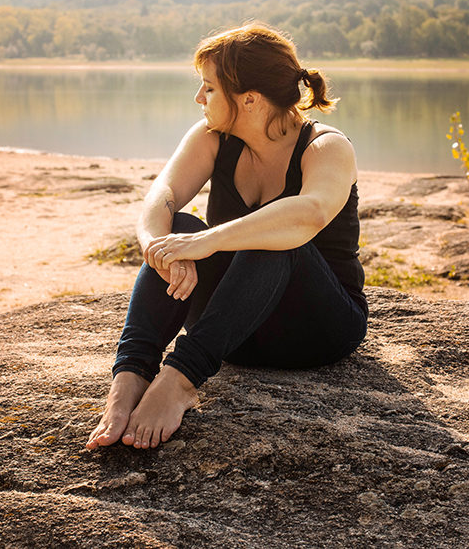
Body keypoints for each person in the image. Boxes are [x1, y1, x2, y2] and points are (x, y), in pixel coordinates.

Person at [86, 23, 367, 451]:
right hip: (231, 332)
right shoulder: (212, 137)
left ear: (249, 99)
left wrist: (209, 242)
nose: (199, 99)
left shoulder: (326, 147)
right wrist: (161, 251)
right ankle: (130, 379)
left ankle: (178, 381)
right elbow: (161, 196)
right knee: (177, 226)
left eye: (209, 89)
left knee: (274, 236)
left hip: (316, 331)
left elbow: (308, 214)